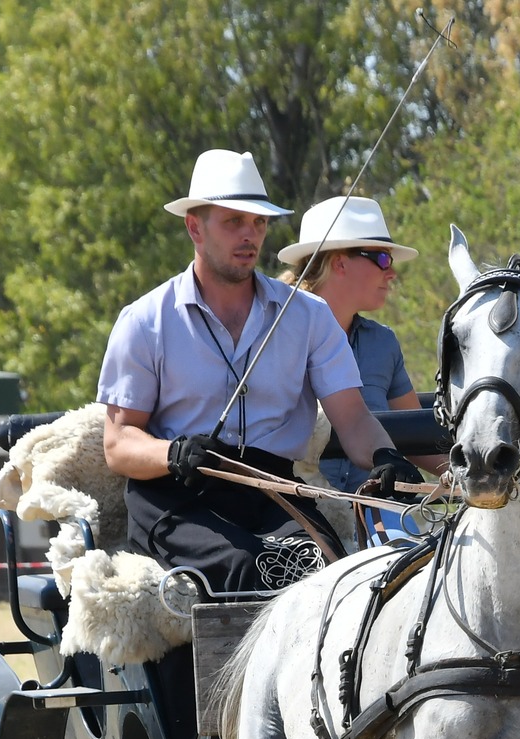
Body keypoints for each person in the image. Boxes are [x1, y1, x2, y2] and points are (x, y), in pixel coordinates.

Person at [98, 149, 405, 596]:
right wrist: (172, 453)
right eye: (234, 222)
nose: (250, 235)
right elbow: (118, 443)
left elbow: (354, 419)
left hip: (272, 490)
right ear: (194, 227)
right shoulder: (145, 321)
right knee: (246, 568)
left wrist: (385, 457)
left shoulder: (309, 316)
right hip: (177, 495)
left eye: (259, 223)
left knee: (326, 573)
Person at [277, 195, 432, 541]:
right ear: (339, 263)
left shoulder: (383, 344)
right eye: (382, 258)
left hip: (376, 511)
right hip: (294, 510)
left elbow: (417, 439)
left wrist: (487, 472)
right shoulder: (271, 336)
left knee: (414, 559)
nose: (392, 272)